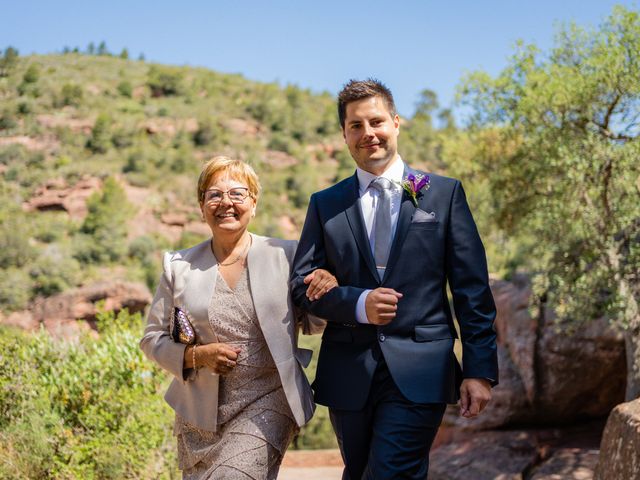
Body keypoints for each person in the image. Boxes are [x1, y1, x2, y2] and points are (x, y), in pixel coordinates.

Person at [291, 79, 499, 479]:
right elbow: (302, 285)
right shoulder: (325, 204)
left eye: (376, 121)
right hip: (349, 371)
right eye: (356, 125)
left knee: (391, 472)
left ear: (396, 123)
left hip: (422, 367)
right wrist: (356, 303)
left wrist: (479, 369)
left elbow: (471, 288)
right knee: (359, 472)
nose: (368, 133)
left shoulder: (443, 194)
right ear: (344, 134)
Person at [140, 155, 333, 480]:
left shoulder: (286, 256)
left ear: (254, 203)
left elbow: (314, 323)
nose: (225, 202)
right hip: (199, 416)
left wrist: (326, 289)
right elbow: (152, 338)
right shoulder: (178, 267)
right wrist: (196, 355)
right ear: (202, 206)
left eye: (237, 194)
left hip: (268, 401)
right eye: (214, 194)